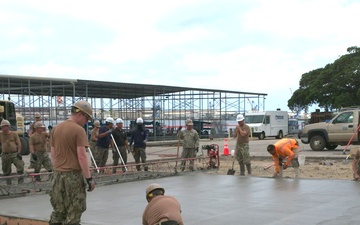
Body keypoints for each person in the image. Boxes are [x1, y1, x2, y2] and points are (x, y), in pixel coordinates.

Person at [49, 100, 96, 225]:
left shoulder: (56, 129)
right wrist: (89, 179)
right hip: (73, 176)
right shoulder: (78, 130)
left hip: (57, 176)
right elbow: (82, 156)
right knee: (74, 211)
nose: (86, 122)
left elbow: (53, 154)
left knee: (59, 211)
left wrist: (59, 169)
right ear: (80, 114)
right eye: (86, 118)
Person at [0, 119, 25, 185]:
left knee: (20, 167)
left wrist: (19, 152)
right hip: (5, 154)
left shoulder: (14, 134)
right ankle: (9, 184)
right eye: (2, 127)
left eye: (5, 126)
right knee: (6, 170)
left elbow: (19, 143)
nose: (3, 128)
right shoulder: (1, 134)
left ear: (8, 126)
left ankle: (20, 183)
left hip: (14, 154)